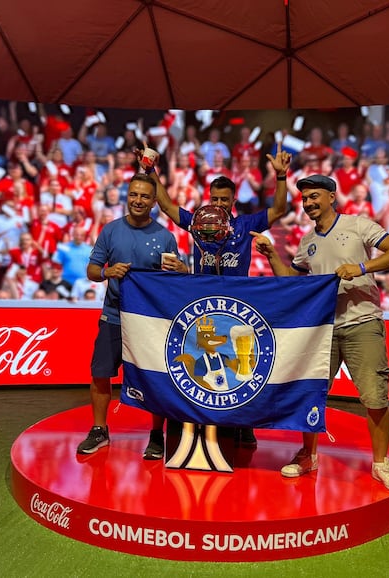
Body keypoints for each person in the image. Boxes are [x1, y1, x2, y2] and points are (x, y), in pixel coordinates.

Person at [251, 173, 389, 492]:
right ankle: (308, 455)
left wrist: (362, 268)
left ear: (331, 196)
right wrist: (271, 255)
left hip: (362, 322)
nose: (309, 203)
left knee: (375, 397)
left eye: (314, 197)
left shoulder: (358, 224)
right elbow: (292, 282)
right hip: (322, 330)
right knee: (312, 394)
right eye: (305, 198)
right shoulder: (307, 243)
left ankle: (381, 463)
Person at [149, 142, 292, 448]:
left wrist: (281, 178)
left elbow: (279, 209)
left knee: (242, 367)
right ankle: (200, 419)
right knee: (205, 366)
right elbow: (167, 206)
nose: (219, 204)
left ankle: (245, 424)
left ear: (234, 200)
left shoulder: (245, 224)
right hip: (202, 306)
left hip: (238, 307)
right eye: (214, 198)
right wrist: (151, 172)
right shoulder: (199, 222)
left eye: (224, 199)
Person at [77, 173, 189, 459]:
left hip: (149, 321)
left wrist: (181, 271)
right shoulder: (111, 230)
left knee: (153, 378)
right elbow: (92, 270)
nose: (138, 200)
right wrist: (107, 271)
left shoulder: (165, 237)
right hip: (113, 316)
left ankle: (156, 435)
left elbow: (175, 279)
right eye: (134, 195)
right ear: (129, 196)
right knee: (100, 374)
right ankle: (100, 429)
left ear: (154, 201)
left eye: (144, 196)